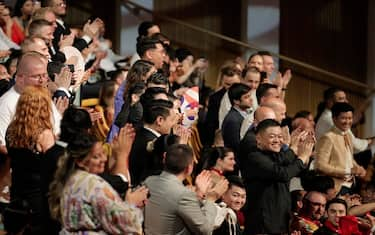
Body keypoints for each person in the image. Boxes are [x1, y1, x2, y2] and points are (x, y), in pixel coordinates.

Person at [48, 132, 144, 234]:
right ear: (80, 161)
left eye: (103, 153)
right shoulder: (92, 184)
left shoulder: (69, 180)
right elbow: (125, 222)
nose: (104, 159)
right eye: (96, 156)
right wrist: (131, 203)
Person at [243, 119, 315, 234]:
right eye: (272, 136)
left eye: (280, 136)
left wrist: (296, 147)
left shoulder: (276, 156)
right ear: (258, 139)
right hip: (263, 225)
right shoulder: (254, 157)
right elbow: (284, 174)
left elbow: (289, 163)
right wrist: (301, 157)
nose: (278, 140)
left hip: (281, 221)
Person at [4, 86, 56, 234]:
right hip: (39, 195)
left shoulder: (12, 130)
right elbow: (51, 166)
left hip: (18, 191)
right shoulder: (44, 134)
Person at [144, 144, 228, 235]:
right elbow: (205, 230)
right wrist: (211, 199)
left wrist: (199, 194)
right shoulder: (184, 194)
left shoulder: (149, 181)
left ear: (164, 159)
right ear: (189, 168)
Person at [315, 102, 366, 195]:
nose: (347, 122)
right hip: (335, 187)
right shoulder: (328, 137)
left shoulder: (348, 136)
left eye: (350, 118)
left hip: (350, 185)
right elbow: (320, 166)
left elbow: (348, 159)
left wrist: (358, 168)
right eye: (343, 118)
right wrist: (347, 171)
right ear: (334, 119)